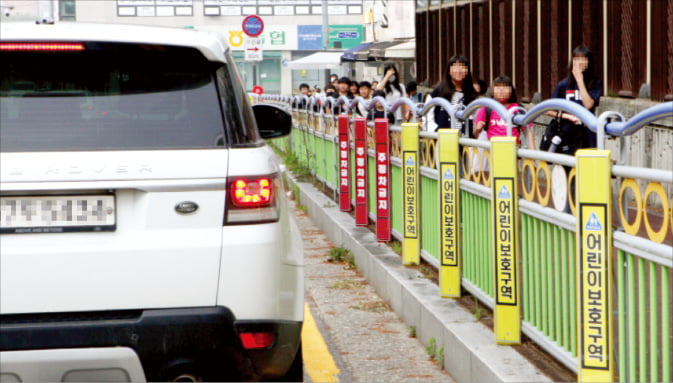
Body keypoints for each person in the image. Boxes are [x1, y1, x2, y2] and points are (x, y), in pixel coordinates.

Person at [548, 45, 602, 153]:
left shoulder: (595, 83)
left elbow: (588, 105)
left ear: (589, 62)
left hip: (587, 133)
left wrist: (580, 80)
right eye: (576, 59)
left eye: (584, 59)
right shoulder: (563, 85)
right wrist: (567, 116)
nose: (580, 62)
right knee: (568, 166)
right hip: (567, 133)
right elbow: (549, 110)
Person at [472, 75, 535, 149]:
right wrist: (477, 129)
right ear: (493, 90)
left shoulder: (518, 108)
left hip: (513, 151)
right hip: (493, 150)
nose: (501, 91)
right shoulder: (487, 108)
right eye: (498, 88)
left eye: (505, 88)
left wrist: (532, 152)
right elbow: (474, 134)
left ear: (511, 90)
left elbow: (527, 131)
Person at [429, 55, 477, 134]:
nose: (459, 70)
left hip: (465, 140)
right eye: (455, 67)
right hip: (443, 138)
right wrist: (435, 131)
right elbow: (428, 112)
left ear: (467, 71)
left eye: (462, 67)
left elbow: (475, 117)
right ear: (449, 71)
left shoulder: (471, 93)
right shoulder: (439, 91)